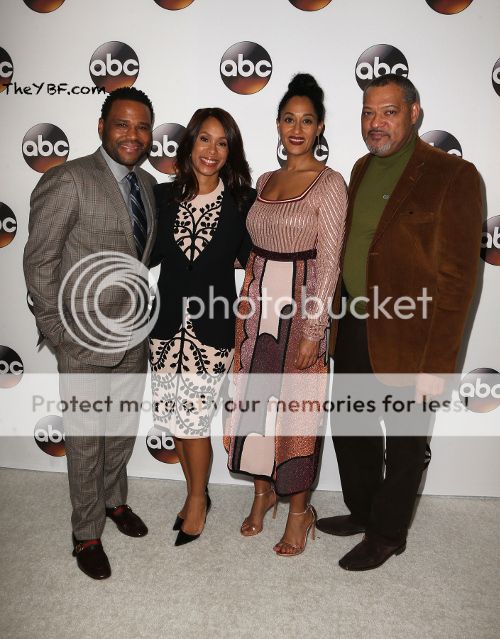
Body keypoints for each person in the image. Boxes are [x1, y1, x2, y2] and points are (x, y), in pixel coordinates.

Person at [316, 74, 483, 570]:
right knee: (352, 428)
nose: (376, 123)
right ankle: (365, 512)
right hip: (354, 323)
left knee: (406, 443)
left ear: (414, 112)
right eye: (368, 112)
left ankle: (388, 535)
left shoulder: (454, 175)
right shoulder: (361, 167)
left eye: (388, 112)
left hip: (413, 336)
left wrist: (437, 365)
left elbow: (458, 281)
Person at [23, 87, 157, 579]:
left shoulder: (147, 184)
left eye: (142, 126)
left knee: (120, 429)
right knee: (84, 440)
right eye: (122, 124)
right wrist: (57, 331)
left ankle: (113, 501)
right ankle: (85, 533)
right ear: (102, 126)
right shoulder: (68, 179)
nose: (133, 135)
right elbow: (39, 261)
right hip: (80, 337)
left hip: (133, 332)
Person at [225, 74, 348, 556]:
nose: (297, 129)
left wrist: (314, 329)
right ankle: (262, 494)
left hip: (301, 312)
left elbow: (330, 261)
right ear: (278, 124)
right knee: (254, 404)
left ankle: (299, 511)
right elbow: (253, 251)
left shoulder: (330, 184)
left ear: (320, 127)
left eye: (307, 120)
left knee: (298, 411)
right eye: (289, 119)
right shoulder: (264, 181)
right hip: (256, 311)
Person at [150, 108, 255, 546]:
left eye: (222, 142)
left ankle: (197, 501)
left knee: (193, 422)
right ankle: (195, 493)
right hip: (164, 326)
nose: (211, 150)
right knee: (174, 420)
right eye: (204, 139)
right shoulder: (161, 196)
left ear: (231, 151)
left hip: (211, 328)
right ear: (190, 143)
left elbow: (255, 262)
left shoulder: (243, 202)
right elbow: (148, 253)